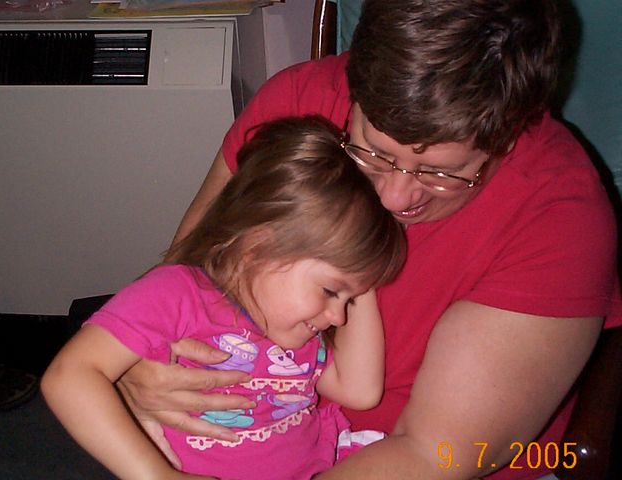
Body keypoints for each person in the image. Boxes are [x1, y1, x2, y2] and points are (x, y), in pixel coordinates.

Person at [115, 1, 622, 479]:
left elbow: (434, 454)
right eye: (374, 151)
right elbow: (188, 268)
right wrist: (134, 364)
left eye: (441, 173)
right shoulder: (302, 102)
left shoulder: (560, 218)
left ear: (507, 136)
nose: (393, 195)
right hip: (234, 440)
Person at [41, 116, 407, 480]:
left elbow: (359, 391)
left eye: (349, 300)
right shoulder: (176, 293)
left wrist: (359, 270)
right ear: (257, 247)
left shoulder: (298, 333)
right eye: (330, 291)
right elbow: (69, 376)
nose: (339, 318)